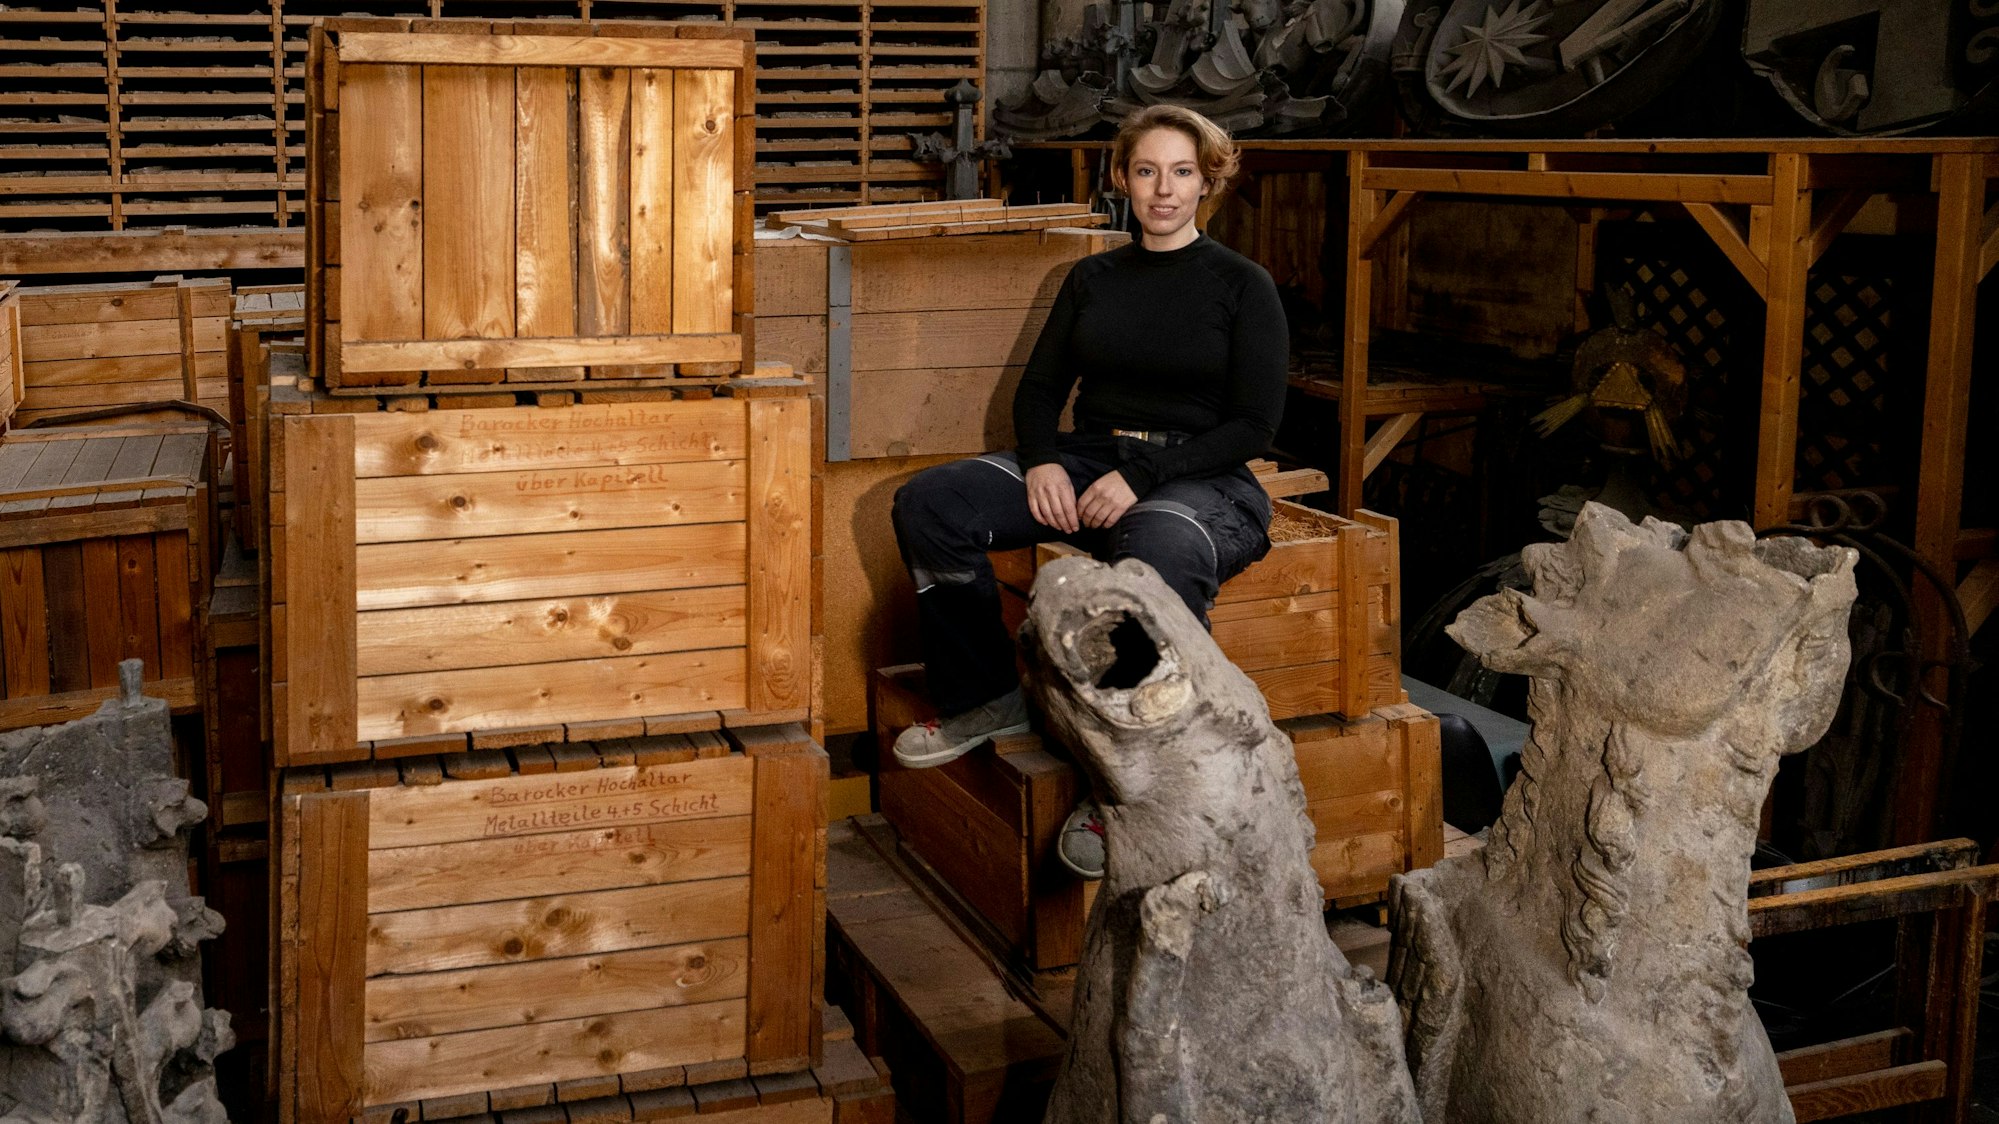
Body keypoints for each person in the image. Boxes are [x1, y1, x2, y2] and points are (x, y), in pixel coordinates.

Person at [888, 105, 1288, 875]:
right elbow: (1039, 390)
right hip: (1086, 458)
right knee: (930, 504)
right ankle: (983, 697)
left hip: (1201, 477)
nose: (1162, 190)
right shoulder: (1091, 277)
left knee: (1155, 554)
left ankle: (1124, 787)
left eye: (1180, 173)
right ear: (1121, 179)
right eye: (1145, 172)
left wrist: (1140, 476)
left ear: (1207, 180)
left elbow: (1253, 425)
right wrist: (1040, 460)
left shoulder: (1242, 285)